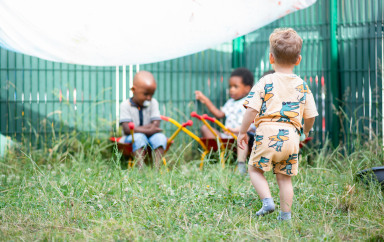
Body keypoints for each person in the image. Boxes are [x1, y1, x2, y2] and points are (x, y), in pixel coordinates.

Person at [237, 28, 318, 220]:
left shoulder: (266, 81)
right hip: (291, 137)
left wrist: (242, 132)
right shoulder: (302, 85)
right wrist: (305, 131)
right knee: (284, 178)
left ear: (271, 58)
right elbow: (311, 115)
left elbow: (251, 110)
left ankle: (267, 201)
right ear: (298, 60)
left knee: (254, 169)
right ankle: (286, 215)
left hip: (266, 134)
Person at [195, 68, 254, 174]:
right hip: (226, 136)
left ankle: (241, 165)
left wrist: (236, 130)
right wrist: (205, 100)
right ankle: (215, 157)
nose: (231, 90)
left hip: (239, 135)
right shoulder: (230, 102)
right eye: (230, 87)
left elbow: (251, 124)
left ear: (247, 88)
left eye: (235, 87)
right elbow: (219, 114)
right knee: (204, 128)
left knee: (245, 137)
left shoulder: (249, 102)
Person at [119, 71, 167, 168]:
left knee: (160, 138)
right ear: (133, 90)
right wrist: (150, 128)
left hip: (151, 136)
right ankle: (141, 168)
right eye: (145, 94)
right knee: (139, 137)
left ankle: (157, 169)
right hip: (131, 138)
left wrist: (136, 128)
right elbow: (127, 129)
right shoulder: (125, 105)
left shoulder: (153, 103)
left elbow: (156, 125)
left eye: (151, 94)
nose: (149, 98)